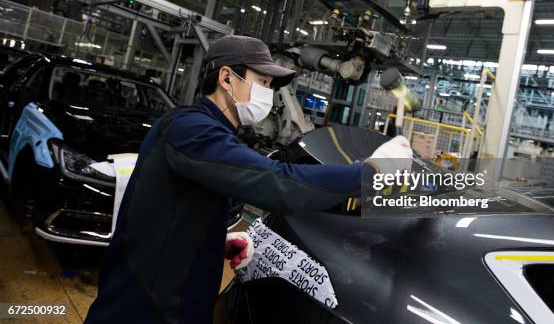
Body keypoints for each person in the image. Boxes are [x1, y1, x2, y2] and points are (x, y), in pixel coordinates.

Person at [85, 35, 412, 324]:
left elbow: (175, 206)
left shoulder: (203, 130)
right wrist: (371, 171)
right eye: (263, 82)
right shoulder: (192, 130)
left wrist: (212, 242)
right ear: (227, 78)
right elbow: (279, 184)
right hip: (144, 310)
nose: (267, 95)